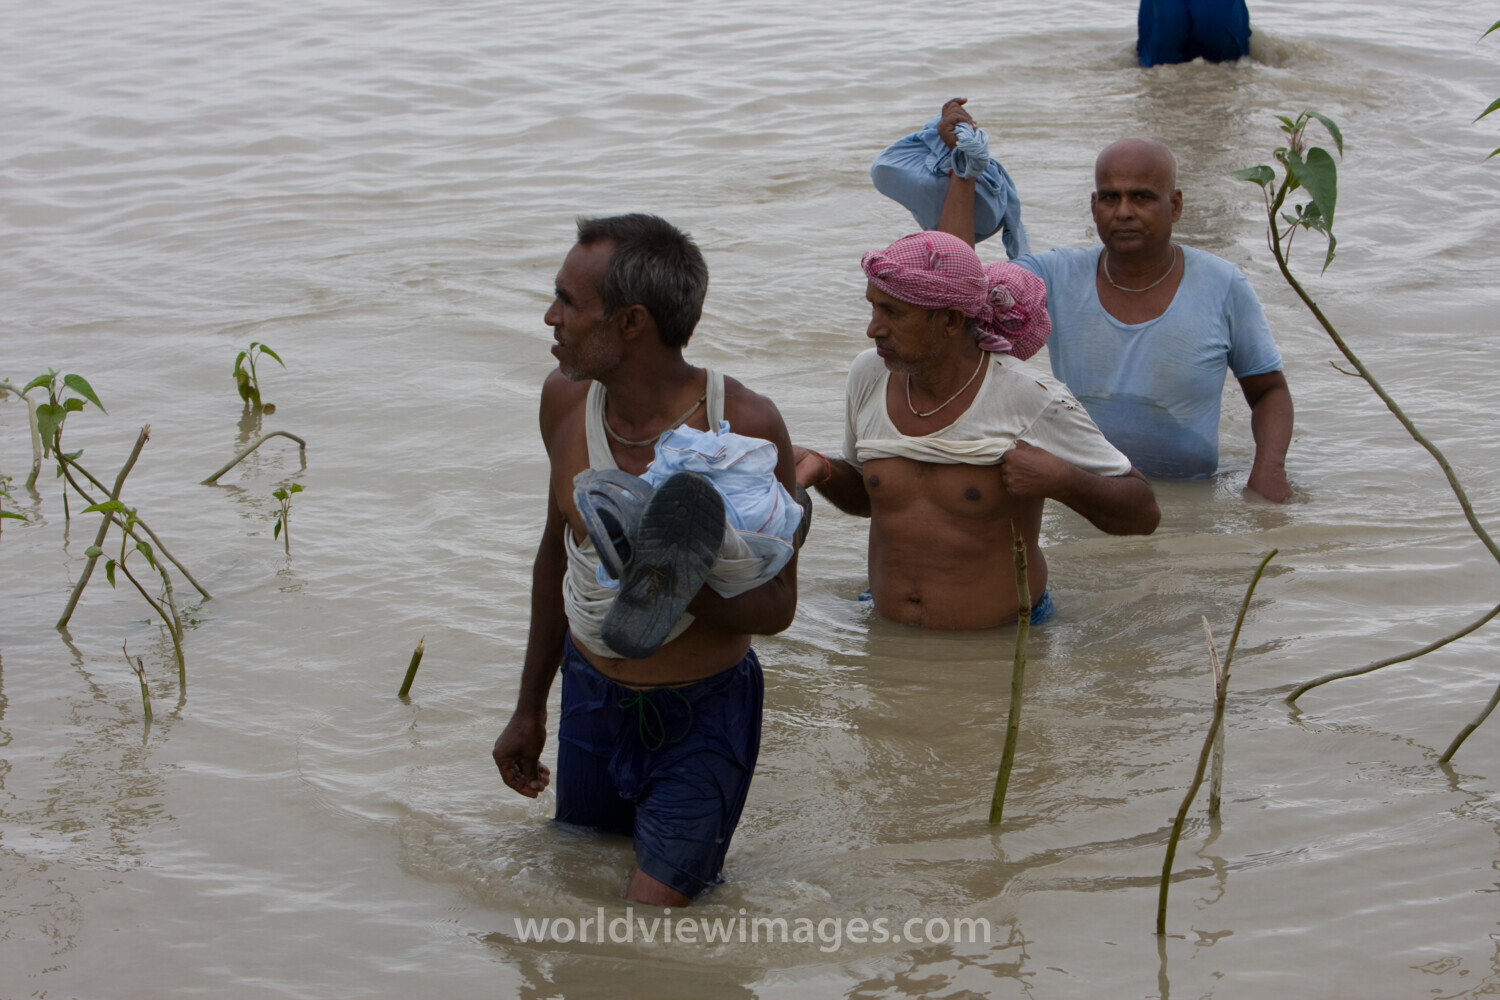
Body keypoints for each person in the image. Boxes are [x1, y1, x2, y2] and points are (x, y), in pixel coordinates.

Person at [491, 214, 799, 906]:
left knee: (652, 926)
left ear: (630, 322)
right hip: (591, 701)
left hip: (701, 714)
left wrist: (669, 584)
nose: (551, 317)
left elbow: (779, 608)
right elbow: (556, 551)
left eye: (569, 302)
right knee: (579, 892)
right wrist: (529, 709)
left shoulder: (745, 426)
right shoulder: (565, 401)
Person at [794, 230, 1159, 630]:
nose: (873, 329)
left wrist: (1062, 480)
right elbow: (875, 498)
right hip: (889, 633)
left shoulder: (1028, 396)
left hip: (1004, 642)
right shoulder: (869, 374)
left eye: (892, 313)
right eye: (873, 308)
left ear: (950, 320)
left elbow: (1143, 512)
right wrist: (823, 469)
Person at [930, 99, 1294, 502]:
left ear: (1174, 206)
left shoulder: (1223, 284)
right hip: (1086, 494)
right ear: (1093, 206)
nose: (1123, 212)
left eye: (1141, 198)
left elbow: (1268, 392)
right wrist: (962, 172)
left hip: (1191, 497)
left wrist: (1268, 471)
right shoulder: (1055, 276)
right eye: (1110, 198)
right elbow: (954, 280)